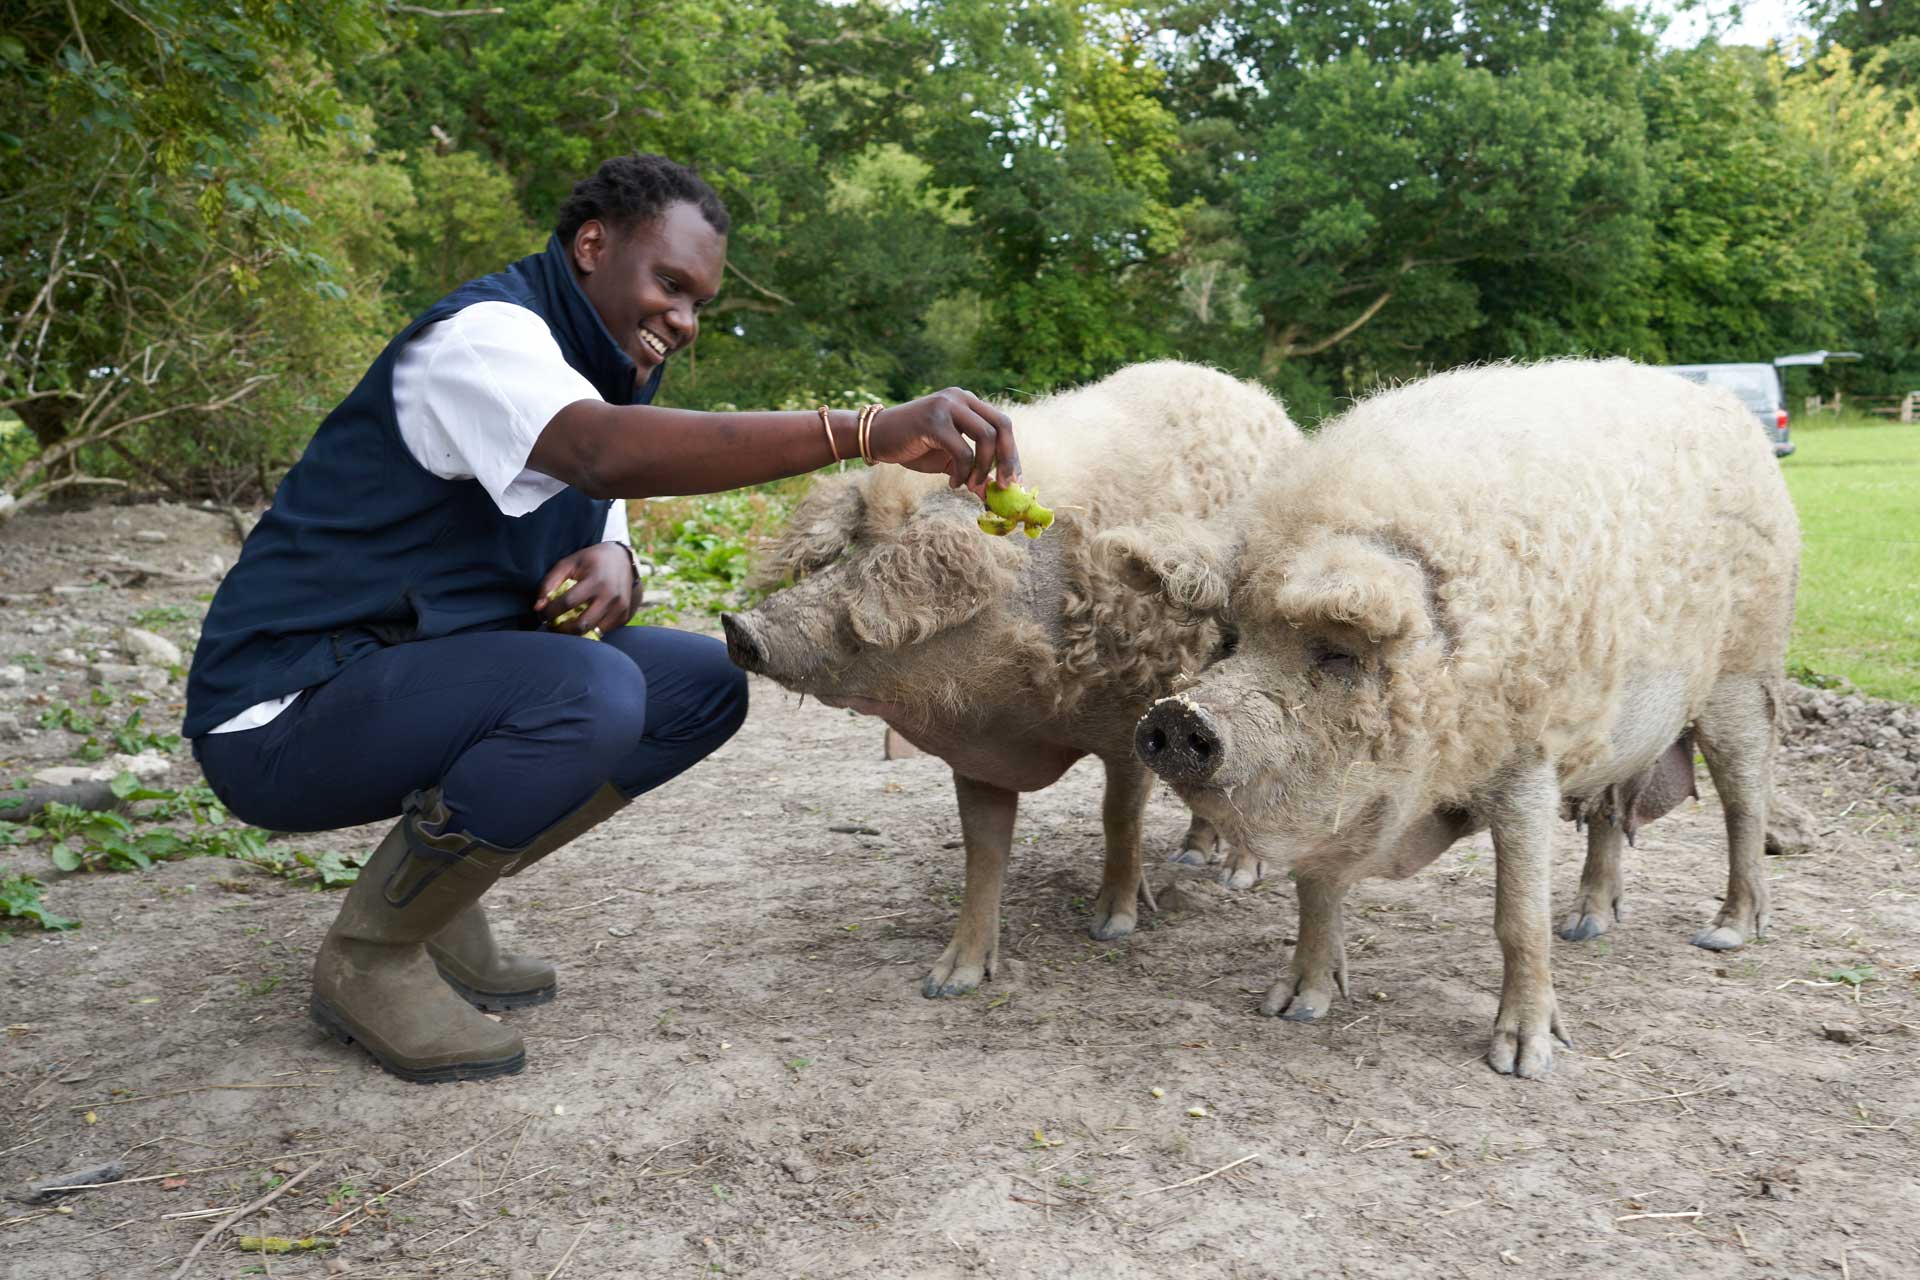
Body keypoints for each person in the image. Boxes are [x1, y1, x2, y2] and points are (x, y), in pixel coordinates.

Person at [184, 154, 1020, 1084]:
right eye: (670, 285)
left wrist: (619, 560)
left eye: (700, 303)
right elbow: (600, 456)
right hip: (282, 710)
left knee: (700, 685)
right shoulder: (486, 341)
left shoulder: (597, 370)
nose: (684, 320)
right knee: (592, 692)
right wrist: (860, 430)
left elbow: (598, 497)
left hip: (401, 682)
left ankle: (436, 899)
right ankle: (371, 959)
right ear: (592, 245)